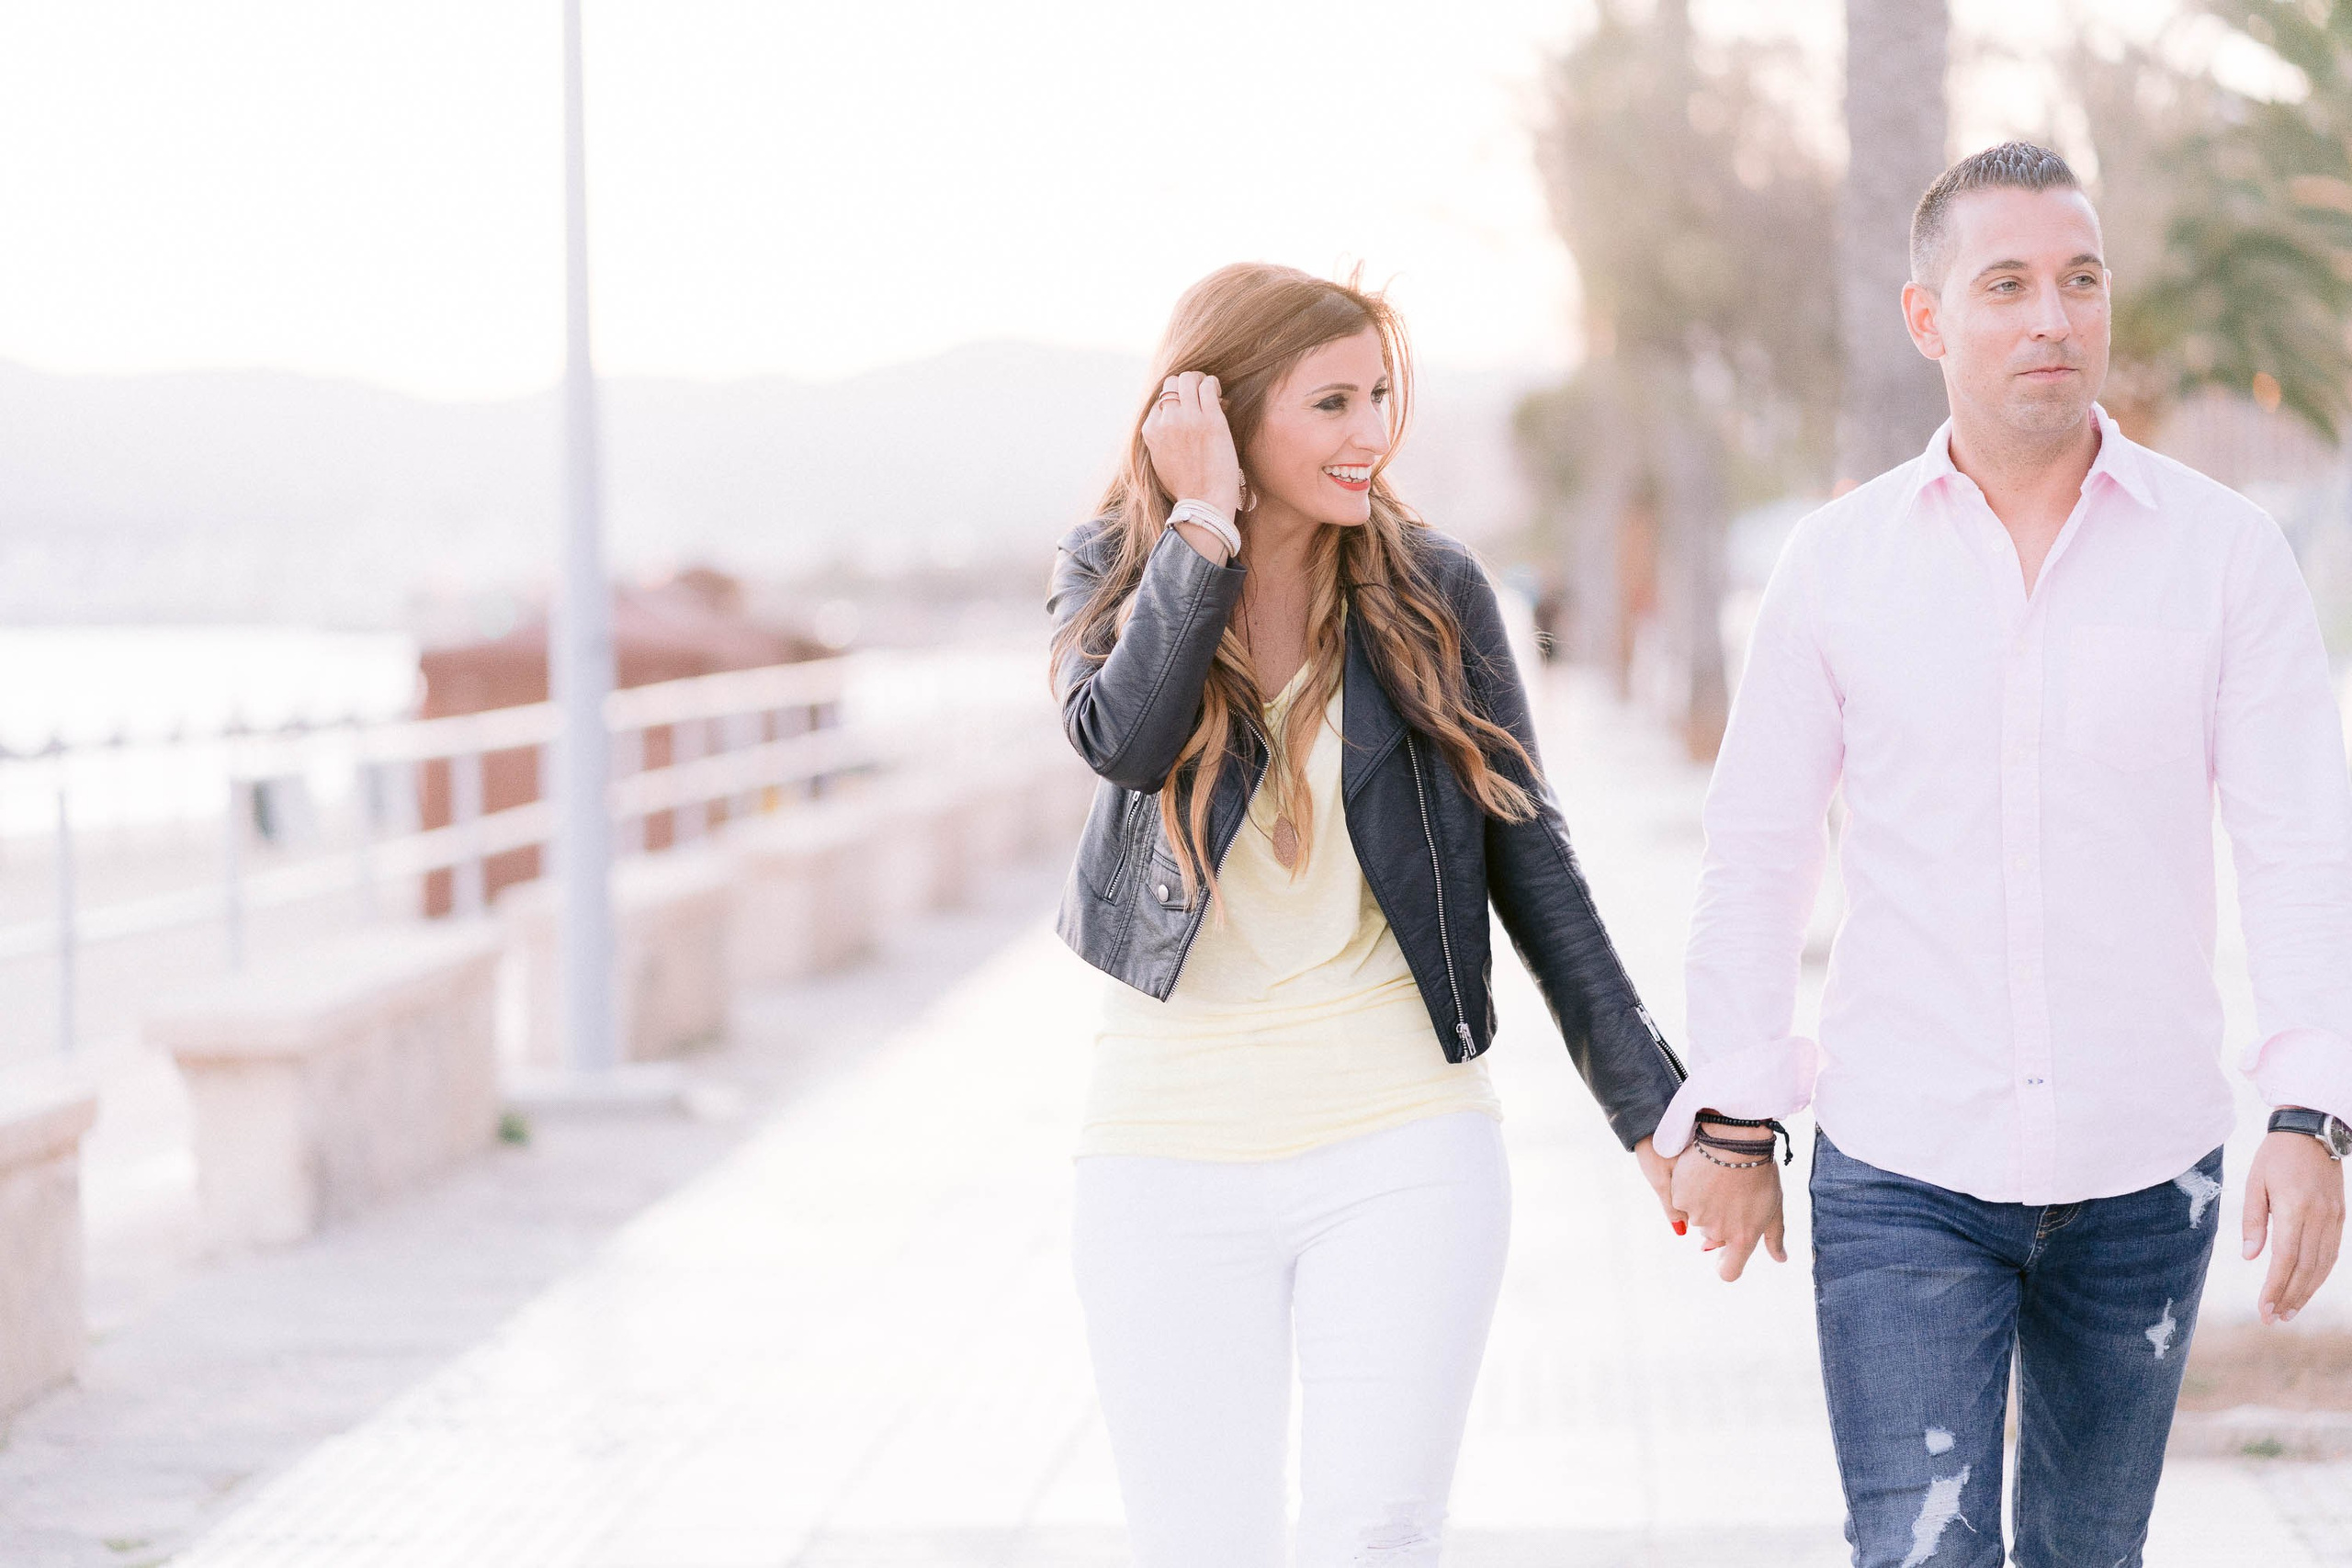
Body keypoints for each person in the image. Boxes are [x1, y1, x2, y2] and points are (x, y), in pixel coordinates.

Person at [1656, 141, 2352, 1566]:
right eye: (2011, 284)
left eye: (2082, 280)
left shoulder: (2223, 556)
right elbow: (1757, 847)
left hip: (2145, 1172)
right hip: (1904, 1163)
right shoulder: (1838, 565)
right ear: (1930, 320)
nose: (2055, 317)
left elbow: (2301, 842)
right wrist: (1731, 1109)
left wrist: (2312, 1111)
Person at [1047, 263, 1687, 1566]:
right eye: (1331, 401)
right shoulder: (1116, 569)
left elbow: (1532, 853)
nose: (1372, 435)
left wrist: (1653, 1106)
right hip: (1166, 1149)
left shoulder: (1431, 589)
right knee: (1199, 1543)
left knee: (1378, 1535)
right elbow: (1121, 738)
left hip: (1401, 1136)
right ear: (1219, 415)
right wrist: (1204, 536)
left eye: (1382, 397)